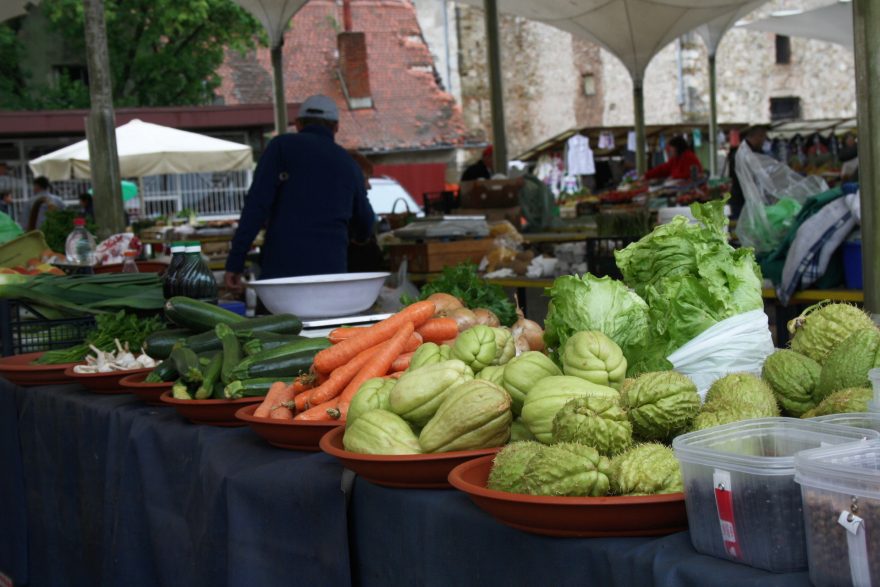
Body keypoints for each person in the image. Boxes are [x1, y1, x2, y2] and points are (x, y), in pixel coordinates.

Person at [224, 95, 375, 291]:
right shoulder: (348, 163)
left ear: (297, 124)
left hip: (282, 271)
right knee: (327, 321)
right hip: (330, 271)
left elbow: (255, 207)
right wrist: (359, 237)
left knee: (281, 320)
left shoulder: (280, 148)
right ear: (336, 127)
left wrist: (235, 262)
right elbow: (365, 221)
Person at [727, 125, 768, 218]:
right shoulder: (743, 153)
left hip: (745, 199)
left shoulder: (743, 152)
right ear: (758, 136)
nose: (764, 141)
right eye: (763, 137)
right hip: (742, 200)